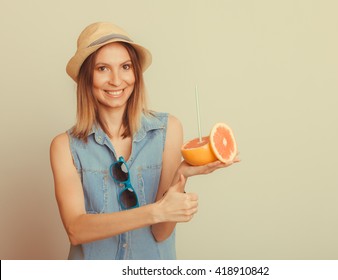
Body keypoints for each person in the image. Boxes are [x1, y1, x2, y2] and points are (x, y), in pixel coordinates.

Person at [50, 22, 238, 260]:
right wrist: (155, 211)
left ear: (135, 73)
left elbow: (161, 233)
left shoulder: (168, 130)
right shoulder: (64, 146)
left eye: (125, 67)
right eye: (103, 69)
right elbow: (76, 230)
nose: (116, 80)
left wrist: (181, 175)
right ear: (87, 77)